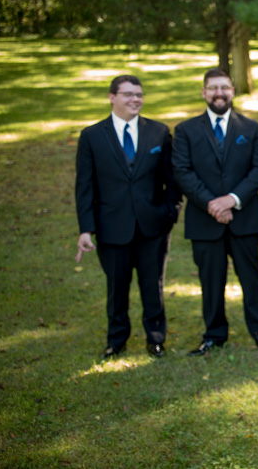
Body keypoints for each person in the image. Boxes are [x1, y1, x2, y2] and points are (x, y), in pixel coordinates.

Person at [172, 68, 258, 356]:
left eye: (224, 87)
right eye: (212, 88)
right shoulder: (185, 130)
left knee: (252, 279)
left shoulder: (251, 128)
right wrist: (212, 203)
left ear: (233, 91)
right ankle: (214, 335)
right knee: (210, 281)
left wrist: (231, 200)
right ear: (204, 93)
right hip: (203, 219)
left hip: (244, 218)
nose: (219, 93)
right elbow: (182, 171)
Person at [75, 75, 181, 360]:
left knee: (153, 284)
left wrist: (171, 211)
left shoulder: (158, 132)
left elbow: (171, 179)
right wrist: (86, 229)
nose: (136, 99)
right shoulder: (92, 136)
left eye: (139, 95)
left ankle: (156, 338)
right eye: (128, 94)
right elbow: (85, 186)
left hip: (153, 225)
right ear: (112, 97)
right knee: (116, 287)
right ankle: (116, 340)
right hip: (111, 226)